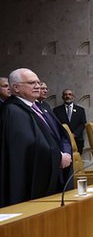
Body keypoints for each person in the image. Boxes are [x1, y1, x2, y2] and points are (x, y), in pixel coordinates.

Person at [0, 68, 72, 206]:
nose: (37, 86)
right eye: (31, 83)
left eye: (38, 82)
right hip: (35, 176)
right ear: (16, 88)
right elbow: (28, 144)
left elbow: (61, 133)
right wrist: (58, 156)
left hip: (58, 168)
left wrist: (66, 152)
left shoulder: (42, 107)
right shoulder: (13, 111)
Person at [53, 89, 88, 153]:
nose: (67, 96)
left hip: (77, 139)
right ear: (62, 97)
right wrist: (66, 134)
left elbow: (83, 123)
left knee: (77, 158)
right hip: (63, 139)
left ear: (73, 96)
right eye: (65, 94)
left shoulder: (80, 110)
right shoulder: (56, 110)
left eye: (70, 94)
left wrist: (74, 134)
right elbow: (55, 124)